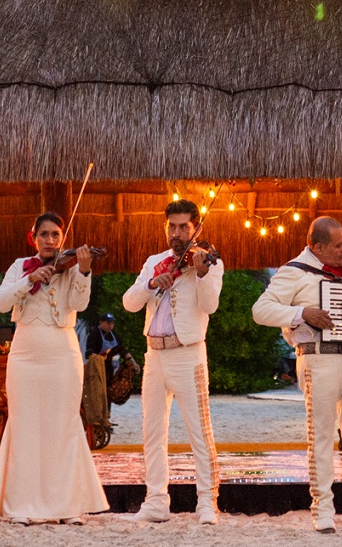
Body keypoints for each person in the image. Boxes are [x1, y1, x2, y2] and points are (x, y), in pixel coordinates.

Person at [255, 216, 342, 532]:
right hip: (316, 359)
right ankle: (322, 509)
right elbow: (261, 310)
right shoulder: (293, 272)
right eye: (338, 245)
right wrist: (302, 313)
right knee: (322, 435)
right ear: (317, 246)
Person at [0, 212, 107, 523]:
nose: (50, 240)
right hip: (24, 355)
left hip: (62, 356)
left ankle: (67, 506)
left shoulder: (71, 267)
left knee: (64, 425)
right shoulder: (19, 265)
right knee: (25, 424)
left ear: (61, 238)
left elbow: (79, 304)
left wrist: (84, 269)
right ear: (34, 237)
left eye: (55, 235)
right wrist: (29, 280)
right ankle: (21, 506)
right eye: (44, 234)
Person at [123, 199, 225, 525]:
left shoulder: (207, 262)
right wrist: (153, 283)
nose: (177, 233)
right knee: (152, 433)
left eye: (183, 227)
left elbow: (209, 306)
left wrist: (203, 272)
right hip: (154, 354)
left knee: (199, 432)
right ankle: (155, 501)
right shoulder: (155, 262)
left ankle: (207, 503)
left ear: (195, 228)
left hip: (187, 353)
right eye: (172, 226)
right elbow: (129, 303)